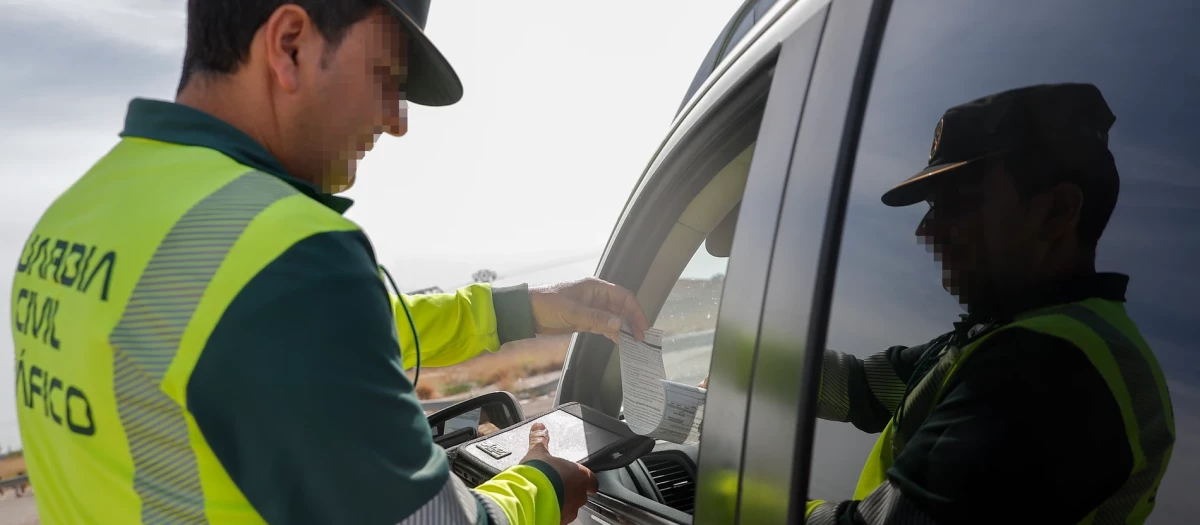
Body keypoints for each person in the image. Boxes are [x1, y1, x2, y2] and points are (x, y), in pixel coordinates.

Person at [10, 1, 650, 524]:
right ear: (289, 44)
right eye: (385, 79)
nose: (397, 121)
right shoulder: (284, 253)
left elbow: (281, 342)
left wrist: (522, 308)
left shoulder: (75, 216)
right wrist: (539, 484)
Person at [800, 84, 1176, 524]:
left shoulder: (1050, 368)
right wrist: (749, 362)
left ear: (1056, 212)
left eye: (954, 203)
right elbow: (860, 387)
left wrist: (738, 498)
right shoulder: (1014, 331)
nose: (927, 232)